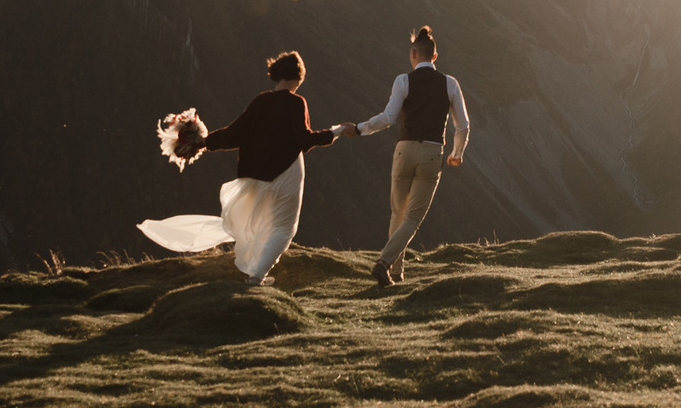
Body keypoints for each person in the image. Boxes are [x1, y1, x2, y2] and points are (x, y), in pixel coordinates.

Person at [138, 51, 338, 283]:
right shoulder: (296, 102)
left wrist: (204, 142)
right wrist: (336, 132)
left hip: (254, 176)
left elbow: (235, 134)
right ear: (298, 78)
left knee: (257, 224)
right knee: (283, 229)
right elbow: (304, 140)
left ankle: (256, 272)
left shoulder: (260, 101)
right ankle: (257, 276)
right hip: (287, 173)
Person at [336, 24, 470, 288]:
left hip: (404, 149)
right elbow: (463, 125)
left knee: (397, 213)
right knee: (413, 217)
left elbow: (387, 119)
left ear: (413, 54)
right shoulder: (450, 83)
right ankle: (384, 264)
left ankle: (396, 274)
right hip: (432, 152)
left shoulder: (403, 81)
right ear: (435, 56)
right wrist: (457, 153)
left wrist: (360, 129)